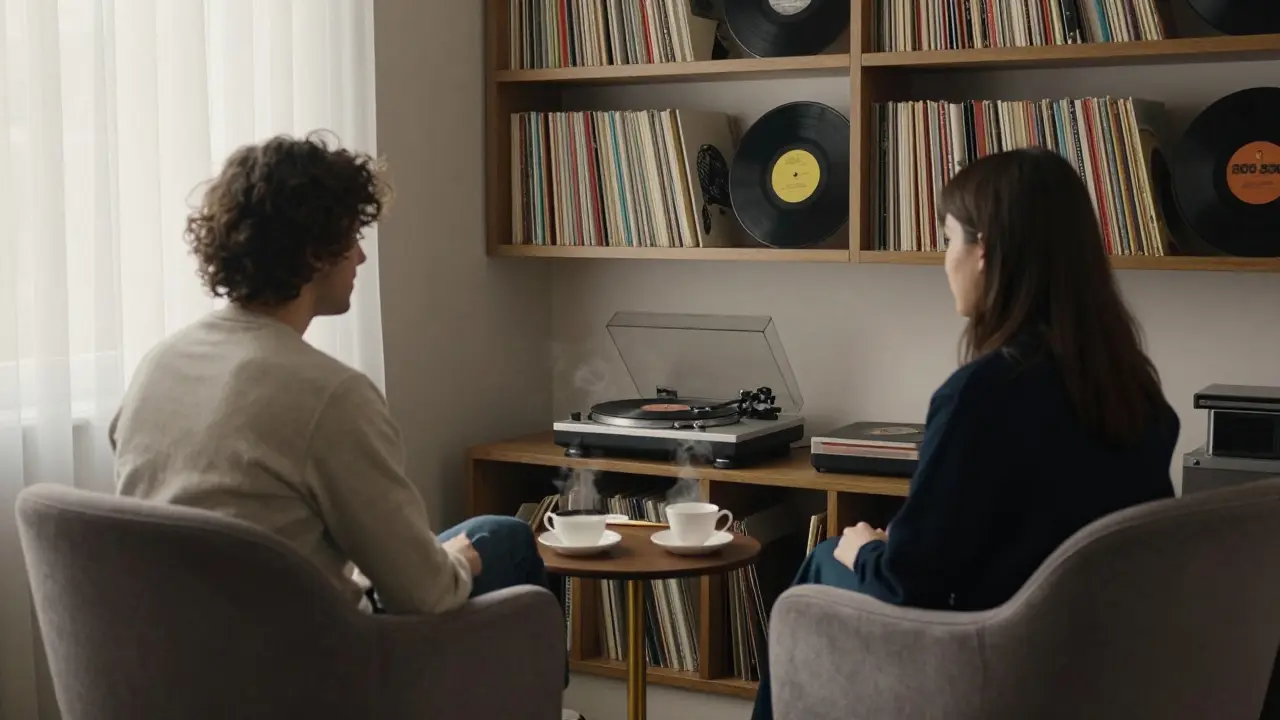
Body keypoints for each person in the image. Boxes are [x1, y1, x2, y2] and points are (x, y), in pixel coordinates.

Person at [109, 133, 583, 719]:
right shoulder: (329, 395)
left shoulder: (160, 363)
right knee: (502, 539)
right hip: (309, 670)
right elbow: (425, 595)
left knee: (480, 534)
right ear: (313, 251)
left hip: (178, 665)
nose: (360, 258)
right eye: (352, 239)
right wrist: (457, 562)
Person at [750, 147, 1180, 720]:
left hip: (984, 664)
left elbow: (908, 586)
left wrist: (867, 548)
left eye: (949, 238)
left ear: (985, 252)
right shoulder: (1137, 393)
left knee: (825, 563)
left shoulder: (984, 392)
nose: (944, 260)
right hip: (1091, 668)